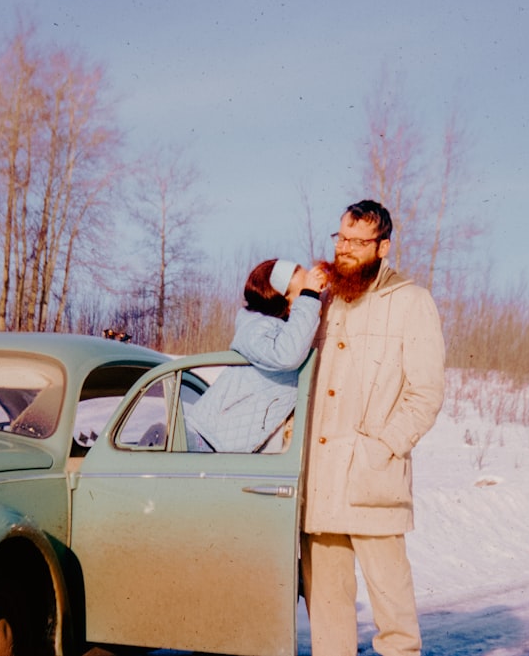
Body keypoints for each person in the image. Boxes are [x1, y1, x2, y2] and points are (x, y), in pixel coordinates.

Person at [301, 200, 446, 656]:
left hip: (371, 480)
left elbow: (426, 394)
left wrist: (381, 448)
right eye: (340, 238)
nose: (344, 250)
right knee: (327, 615)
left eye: (357, 242)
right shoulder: (322, 300)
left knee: (394, 616)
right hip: (320, 483)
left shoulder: (410, 301)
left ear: (382, 246)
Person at [185, 258, 328, 452]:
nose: (313, 297)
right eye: (302, 293)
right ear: (285, 301)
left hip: (222, 445)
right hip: (205, 441)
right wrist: (310, 295)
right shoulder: (254, 327)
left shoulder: (290, 329)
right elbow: (287, 355)